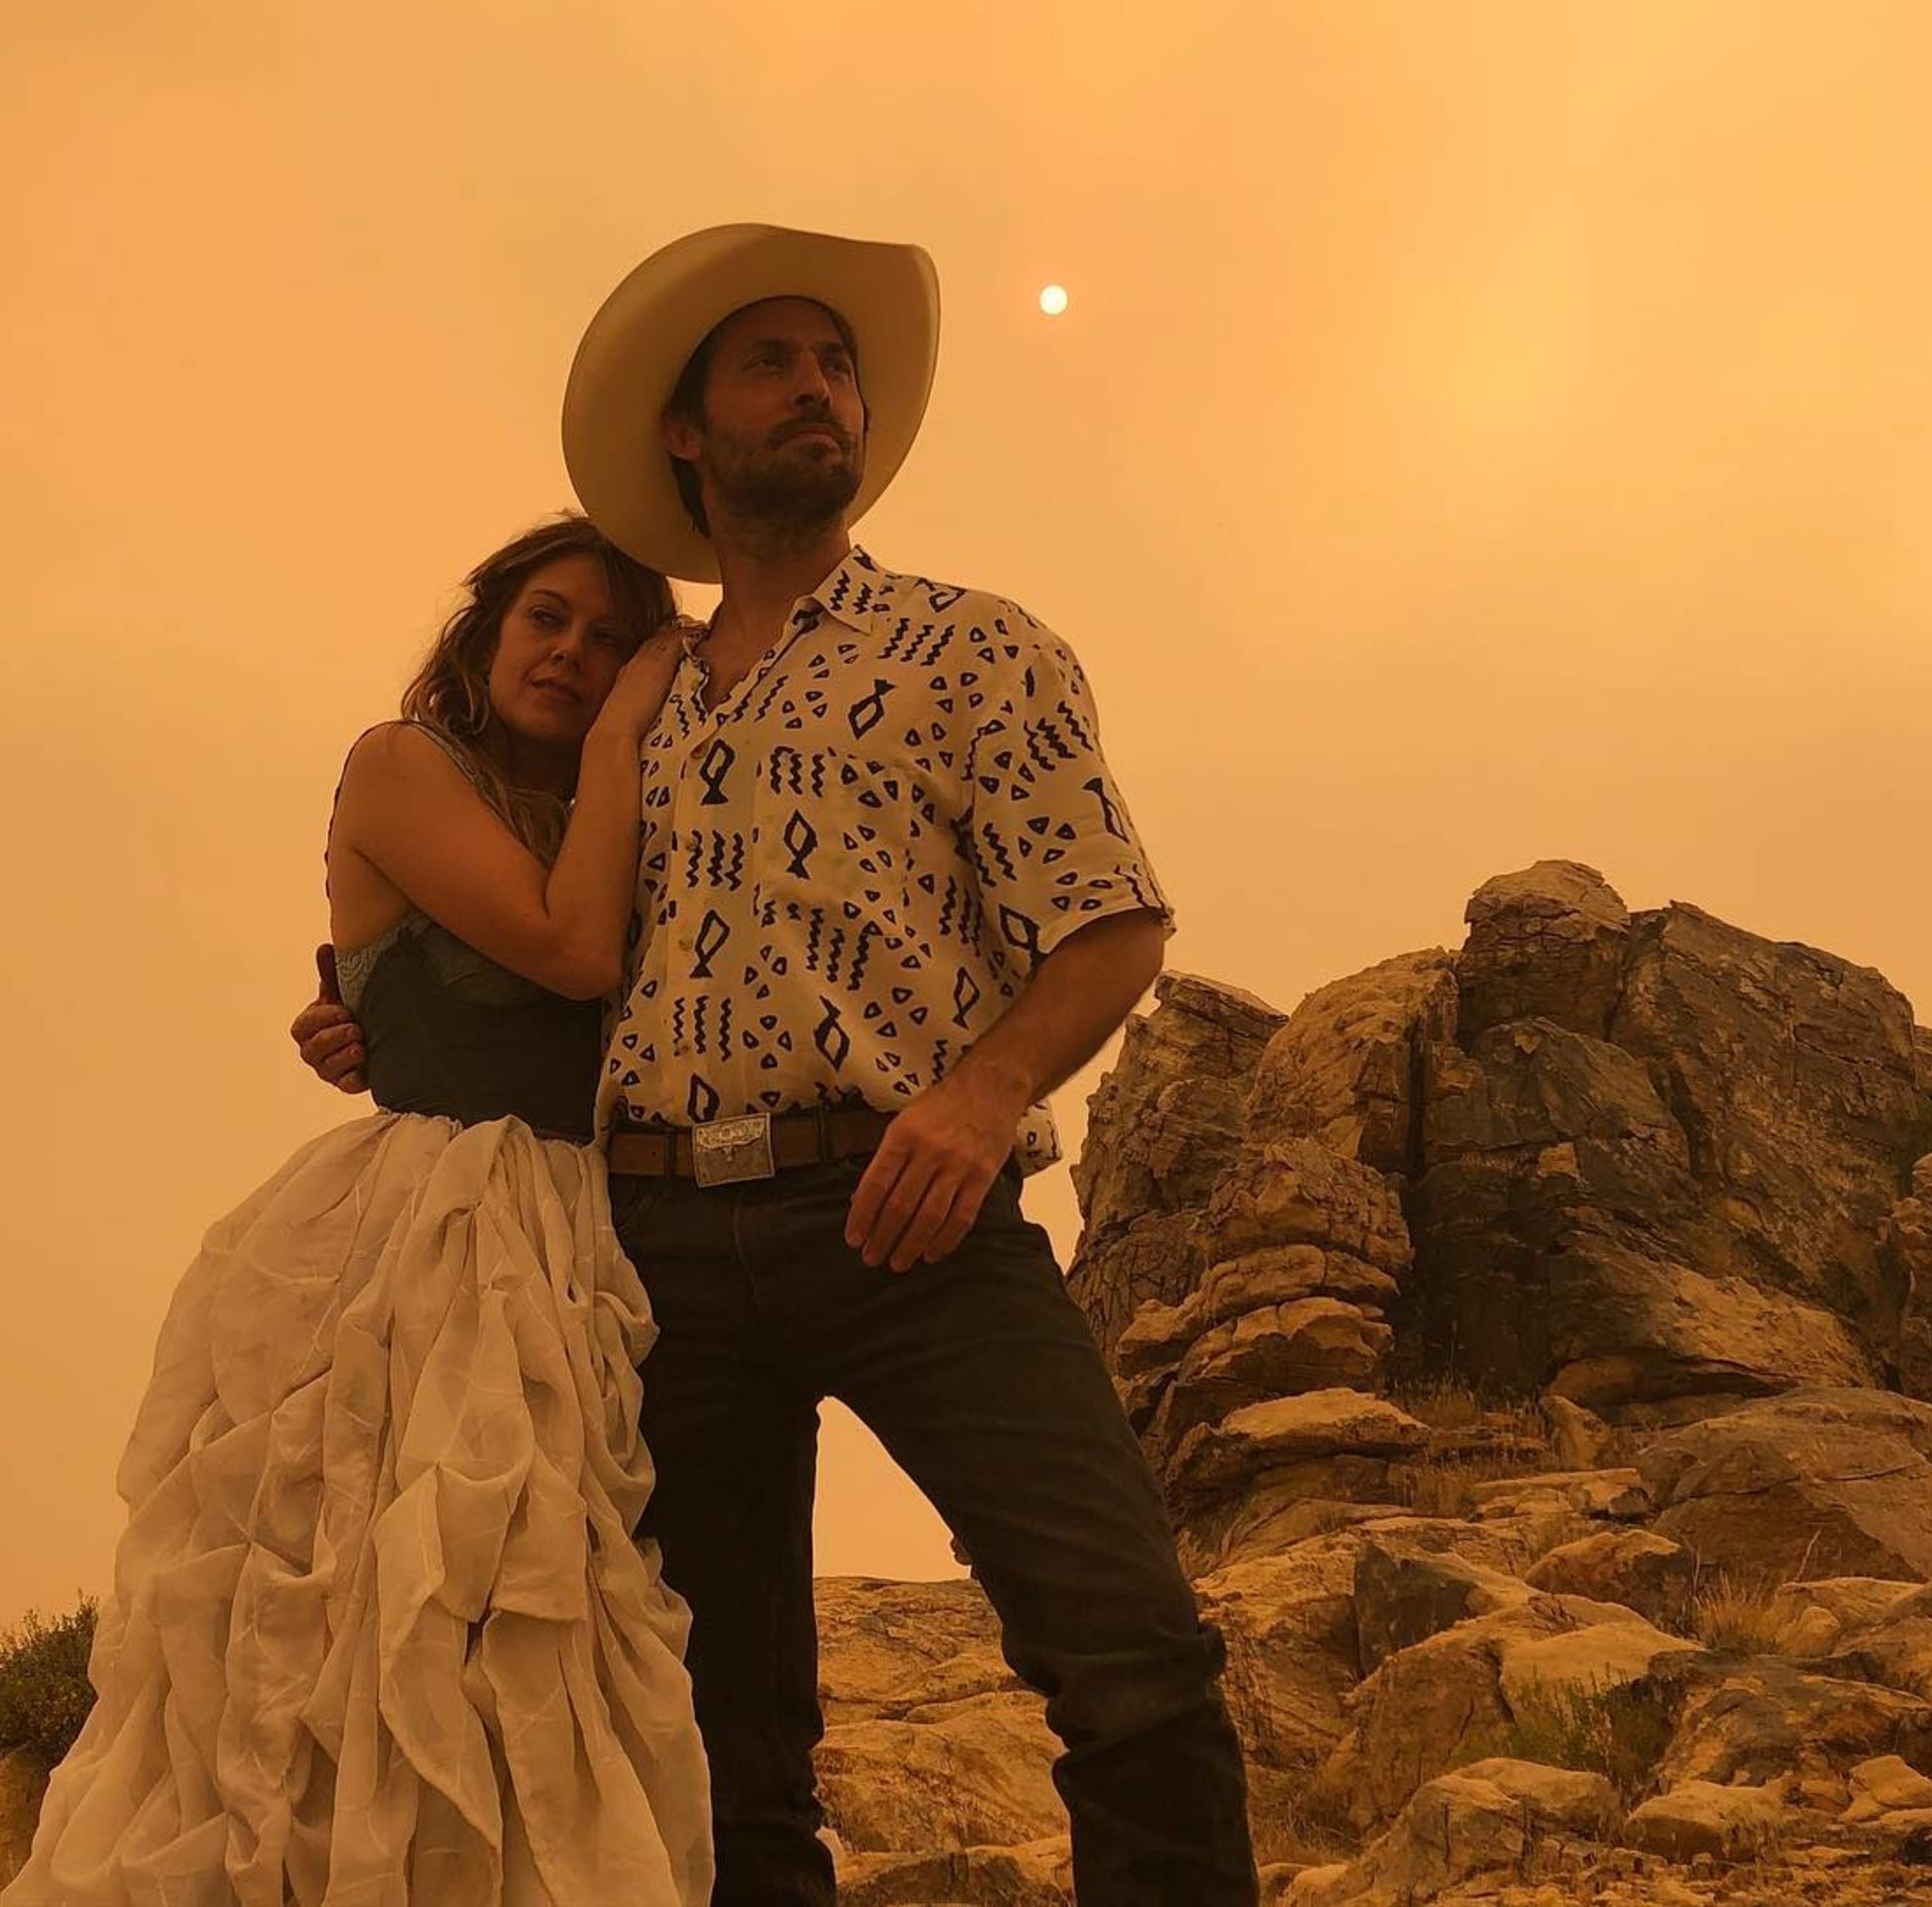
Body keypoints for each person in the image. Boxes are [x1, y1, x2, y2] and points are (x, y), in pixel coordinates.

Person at [294, 225, 1259, 1906]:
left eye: (839, 365)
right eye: (773, 362)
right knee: (725, 1740)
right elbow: (535, 933)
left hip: (915, 1214)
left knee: (1131, 1650)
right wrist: (359, 1007)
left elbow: (1109, 921)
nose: (819, 386)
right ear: (691, 432)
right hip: (653, 1248)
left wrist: (978, 1095)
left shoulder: (976, 645)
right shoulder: (635, 704)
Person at [5, 515, 716, 1906]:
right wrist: (634, 720)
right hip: (437, 1240)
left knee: (567, 1635)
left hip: (598, 1239)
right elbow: (572, 953)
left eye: (613, 640)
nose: (576, 656)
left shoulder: (610, 816)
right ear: (484, 631)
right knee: (399, 1626)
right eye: (549, 620)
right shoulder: (402, 764)